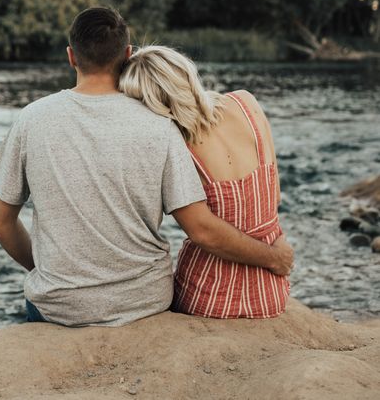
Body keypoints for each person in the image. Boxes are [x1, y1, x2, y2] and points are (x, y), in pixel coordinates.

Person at [0, 7, 293, 327]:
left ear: (71, 57)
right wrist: (275, 257)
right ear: (127, 54)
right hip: (146, 302)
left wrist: (50, 272)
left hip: (59, 306)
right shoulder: (161, 125)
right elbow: (201, 227)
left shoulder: (31, 119)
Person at [119, 45, 290, 318]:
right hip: (270, 292)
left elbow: (204, 234)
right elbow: (274, 198)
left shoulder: (174, 146)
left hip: (208, 297)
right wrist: (277, 256)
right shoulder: (246, 103)